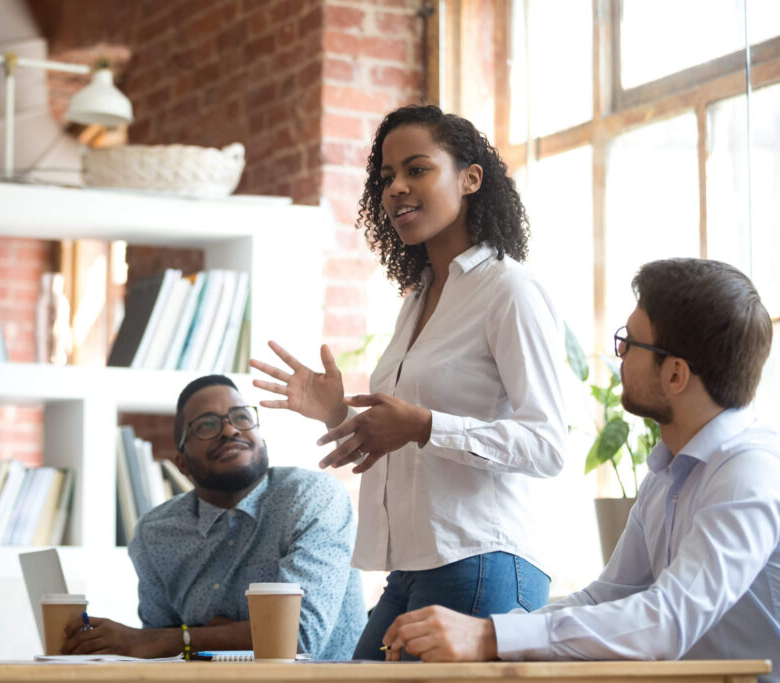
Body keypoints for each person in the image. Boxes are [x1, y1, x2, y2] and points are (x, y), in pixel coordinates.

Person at [250, 104, 567, 659]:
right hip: (413, 568)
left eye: (416, 169)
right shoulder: (418, 299)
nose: (396, 188)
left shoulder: (509, 292)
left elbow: (547, 445)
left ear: (471, 178)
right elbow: (406, 435)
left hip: (483, 560)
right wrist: (335, 414)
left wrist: (422, 425)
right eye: (385, 177)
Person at [382, 258, 779, 677]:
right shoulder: (669, 473)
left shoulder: (749, 472)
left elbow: (666, 621)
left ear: (676, 375)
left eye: (630, 343)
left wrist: (489, 638)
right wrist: (487, 631)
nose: (619, 355)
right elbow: (604, 598)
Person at [60, 374, 365, 660]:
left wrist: (178, 639)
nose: (230, 430)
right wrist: (205, 637)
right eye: (206, 425)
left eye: (242, 418)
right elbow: (161, 657)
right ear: (182, 464)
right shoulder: (155, 533)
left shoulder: (312, 498)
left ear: (263, 442)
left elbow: (296, 638)